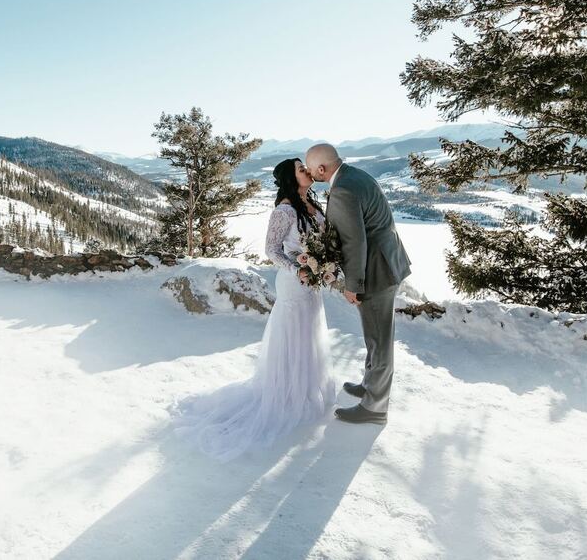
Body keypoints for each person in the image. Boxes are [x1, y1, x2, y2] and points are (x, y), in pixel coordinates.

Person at [170, 158, 337, 461]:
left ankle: (306, 390)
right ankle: (285, 394)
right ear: (291, 177)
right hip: (293, 283)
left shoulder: (311, 204)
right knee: (293, 335)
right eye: (301, 169)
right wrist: (296, 268)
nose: (307, 172)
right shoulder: (284, 210)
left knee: (309, 333)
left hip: (311, 286)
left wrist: (324, 265)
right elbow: (271, 250)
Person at [305, 143, 411, 425]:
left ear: (323, 169)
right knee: (373, 336)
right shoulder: (355, 174)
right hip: (386, 262)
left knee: (379, 340)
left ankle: (375, 408)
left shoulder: (342, 190)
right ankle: (370, 385)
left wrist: (353, 285)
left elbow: (354, 242)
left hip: (377, 272)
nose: (309, 172)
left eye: (311, 168)